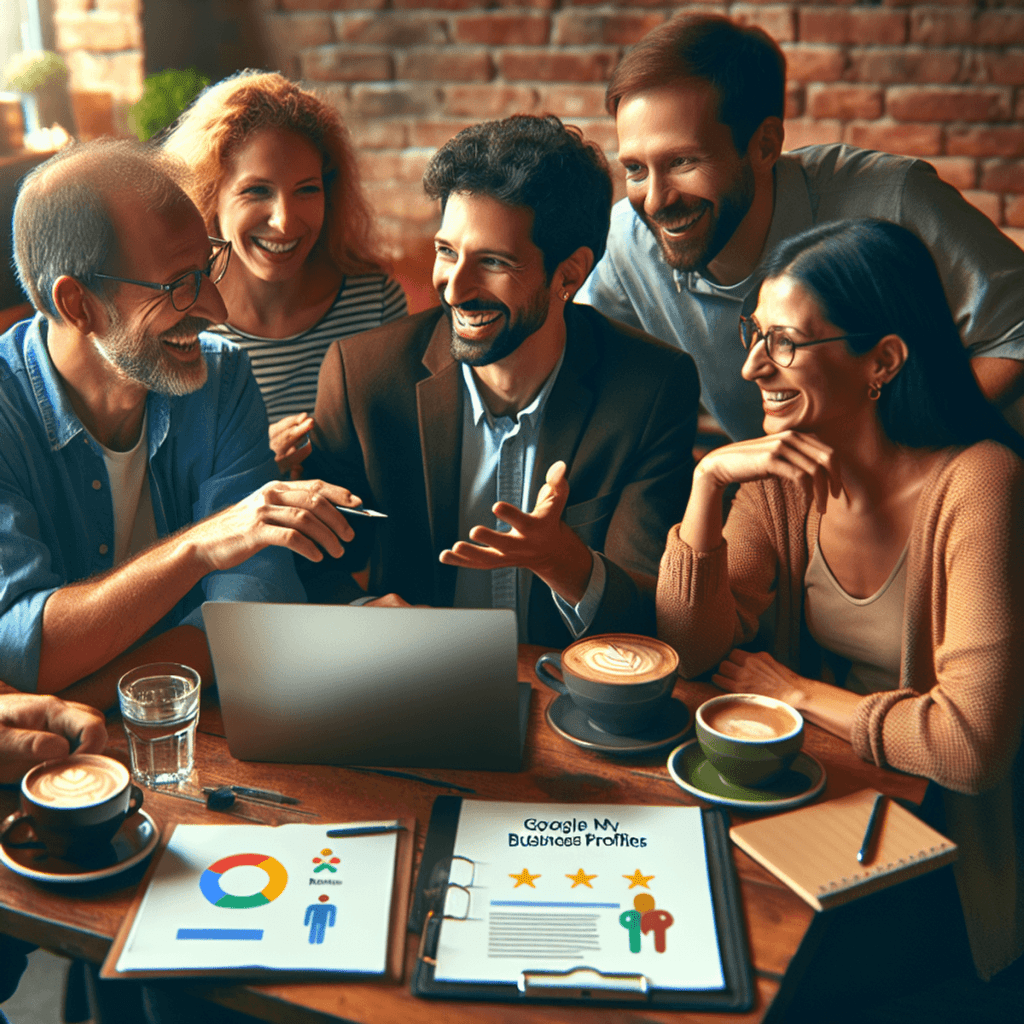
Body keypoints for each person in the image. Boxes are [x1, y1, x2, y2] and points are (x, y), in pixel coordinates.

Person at [656, 218, 1024, 981]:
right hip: (813, 809)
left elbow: (969, 747)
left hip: (941, 855)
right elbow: (690, 650)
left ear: (882, 359)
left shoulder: (981, 483)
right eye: (752, 336)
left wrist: (794, 691)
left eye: (785, 342)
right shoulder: (778, 481)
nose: (755, 366)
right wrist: (710, 481)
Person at [303, 115, 700, 646]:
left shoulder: (652, 389)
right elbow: (313, 565)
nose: (455, 287)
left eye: (493, 261)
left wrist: (563, 562)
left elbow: (652, 614)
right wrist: (360, 609)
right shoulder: (364, 377)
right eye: (447, 251)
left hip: (565, 691)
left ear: (569, 274)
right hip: (413, 677)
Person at [2, 139, 358, 709]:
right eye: (177, 286)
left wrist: (74, 700)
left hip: (173, 737)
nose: (217, 311)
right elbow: (25, 645)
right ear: (78, 306)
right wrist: (198, 548)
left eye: (207, 268)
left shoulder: (221, 378)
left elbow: (253, 613)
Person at [578, 13, 1024, 442]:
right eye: (635, 169)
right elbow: (579, 371)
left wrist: (888, 451)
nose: (655, 201)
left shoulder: (894, 198)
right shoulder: (627, 244)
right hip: (797, 502)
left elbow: (1016, 332)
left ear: (765, 146)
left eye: (683, 162)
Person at [161, 71, 407, 478]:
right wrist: (252, 467)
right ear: (209, 194)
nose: (285, 221)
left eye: (307, 189)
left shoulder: (377, 303)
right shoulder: (178, 323)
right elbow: (166, 493)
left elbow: (404, 460)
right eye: (256, 191)